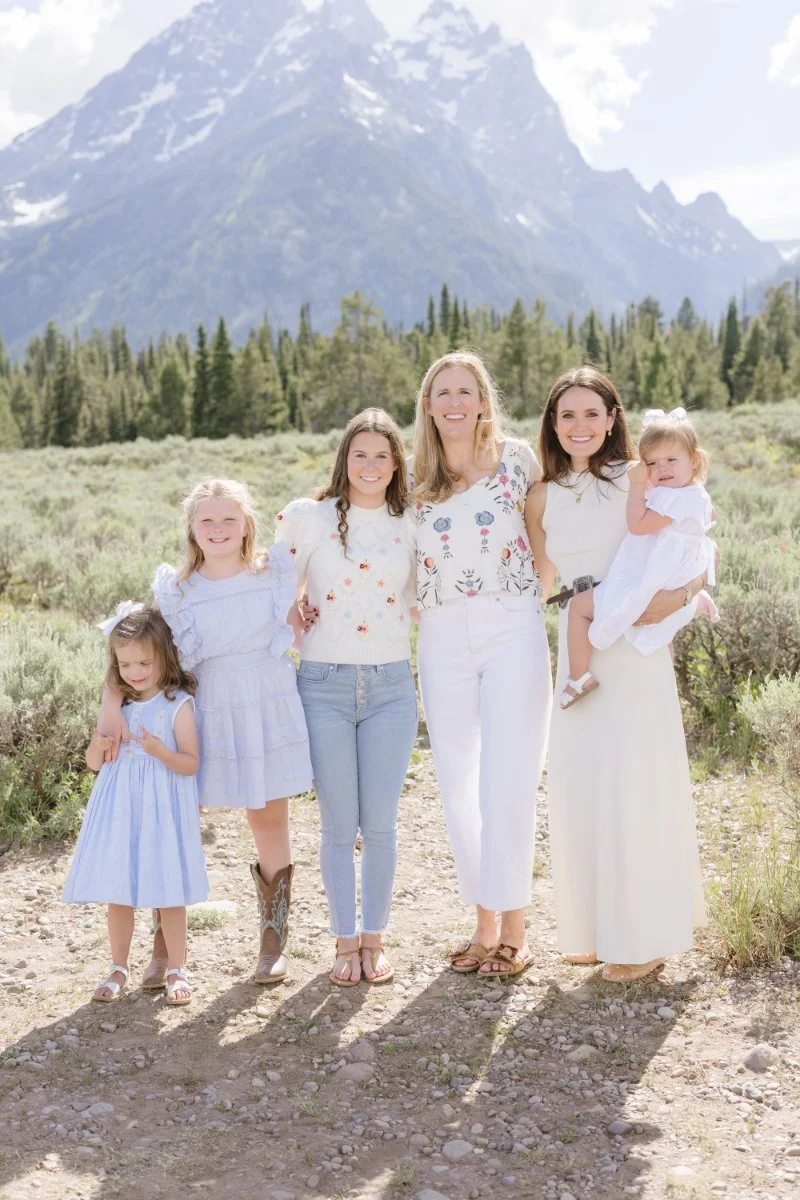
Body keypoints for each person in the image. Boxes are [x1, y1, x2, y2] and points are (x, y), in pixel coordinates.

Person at [525, 366, 707, 983]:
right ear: (553, 424)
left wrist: (683, 595)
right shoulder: (542, 494)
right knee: (582, 782)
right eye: (566, 415)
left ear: (611, 420)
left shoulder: (641, 474)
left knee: (634, 782)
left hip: (631, 640)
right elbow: (540, 582)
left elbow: (697, 540)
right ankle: (595, 930)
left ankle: (644, 937)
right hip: (577, 641)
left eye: (591, 413)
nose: (579, 426)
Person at [98, 479, 312, 986]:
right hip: (200, 707)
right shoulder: (177, 590)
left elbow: (300, 629)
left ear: (246, 524)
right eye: (207, 520)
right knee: (173, 820)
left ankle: (272, 941)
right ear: (192, 529)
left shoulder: (275, 573)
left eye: (228, 519)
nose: (218, 529)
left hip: (265, 700)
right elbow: (134, 650)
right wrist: (110, 706)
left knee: (267, 820)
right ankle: (164, 949)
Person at [410, 350, 552, 978]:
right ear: (428, 404)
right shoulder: (413, 477)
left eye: (465, 391)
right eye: (442, 392)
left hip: (511, 623)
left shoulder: (518, 460)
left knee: (508, 776)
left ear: (483, 401)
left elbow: (553, 523)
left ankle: (515, 928)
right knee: (458, 779)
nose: (454, 402)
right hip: (441, 631)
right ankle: (483, 923)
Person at [275, 409, 418, 987]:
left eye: (382, 455)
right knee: (338, 825)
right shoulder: (309, 518)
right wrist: (294, 615)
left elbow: (427, 596)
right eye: (360, 455)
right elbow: (274, 585)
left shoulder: (413, 521)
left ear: (397, 463)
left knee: (380, 824)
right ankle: (343, 941)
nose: (371, 465)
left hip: (391, 686)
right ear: (344, 459)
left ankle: (374, 939)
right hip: (323, 686)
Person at [63, 604, 207, 1006]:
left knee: (169, 891)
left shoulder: (178, 705)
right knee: (118, 889)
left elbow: (191, 763)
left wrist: (161, 752)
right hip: (121, 808)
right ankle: (118, 967)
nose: (135, 672)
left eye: (144, 662)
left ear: (165, 656)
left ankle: (176, 968)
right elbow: (95, 764)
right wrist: (98, 745)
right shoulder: (118, 705)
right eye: (125, 664)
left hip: (162, 812)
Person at [562, 407, 718, 708]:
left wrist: (637, 485)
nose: (662, 469)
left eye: (671, 460)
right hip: (674, 573)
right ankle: (692, 606)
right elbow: (709, 520)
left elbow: (638, 525)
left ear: (695, 460)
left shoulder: (674, 497)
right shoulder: (695, 494)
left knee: (580, 608)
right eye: (652, 463)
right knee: (658, 639)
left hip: (654, 576)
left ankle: (578, 678)